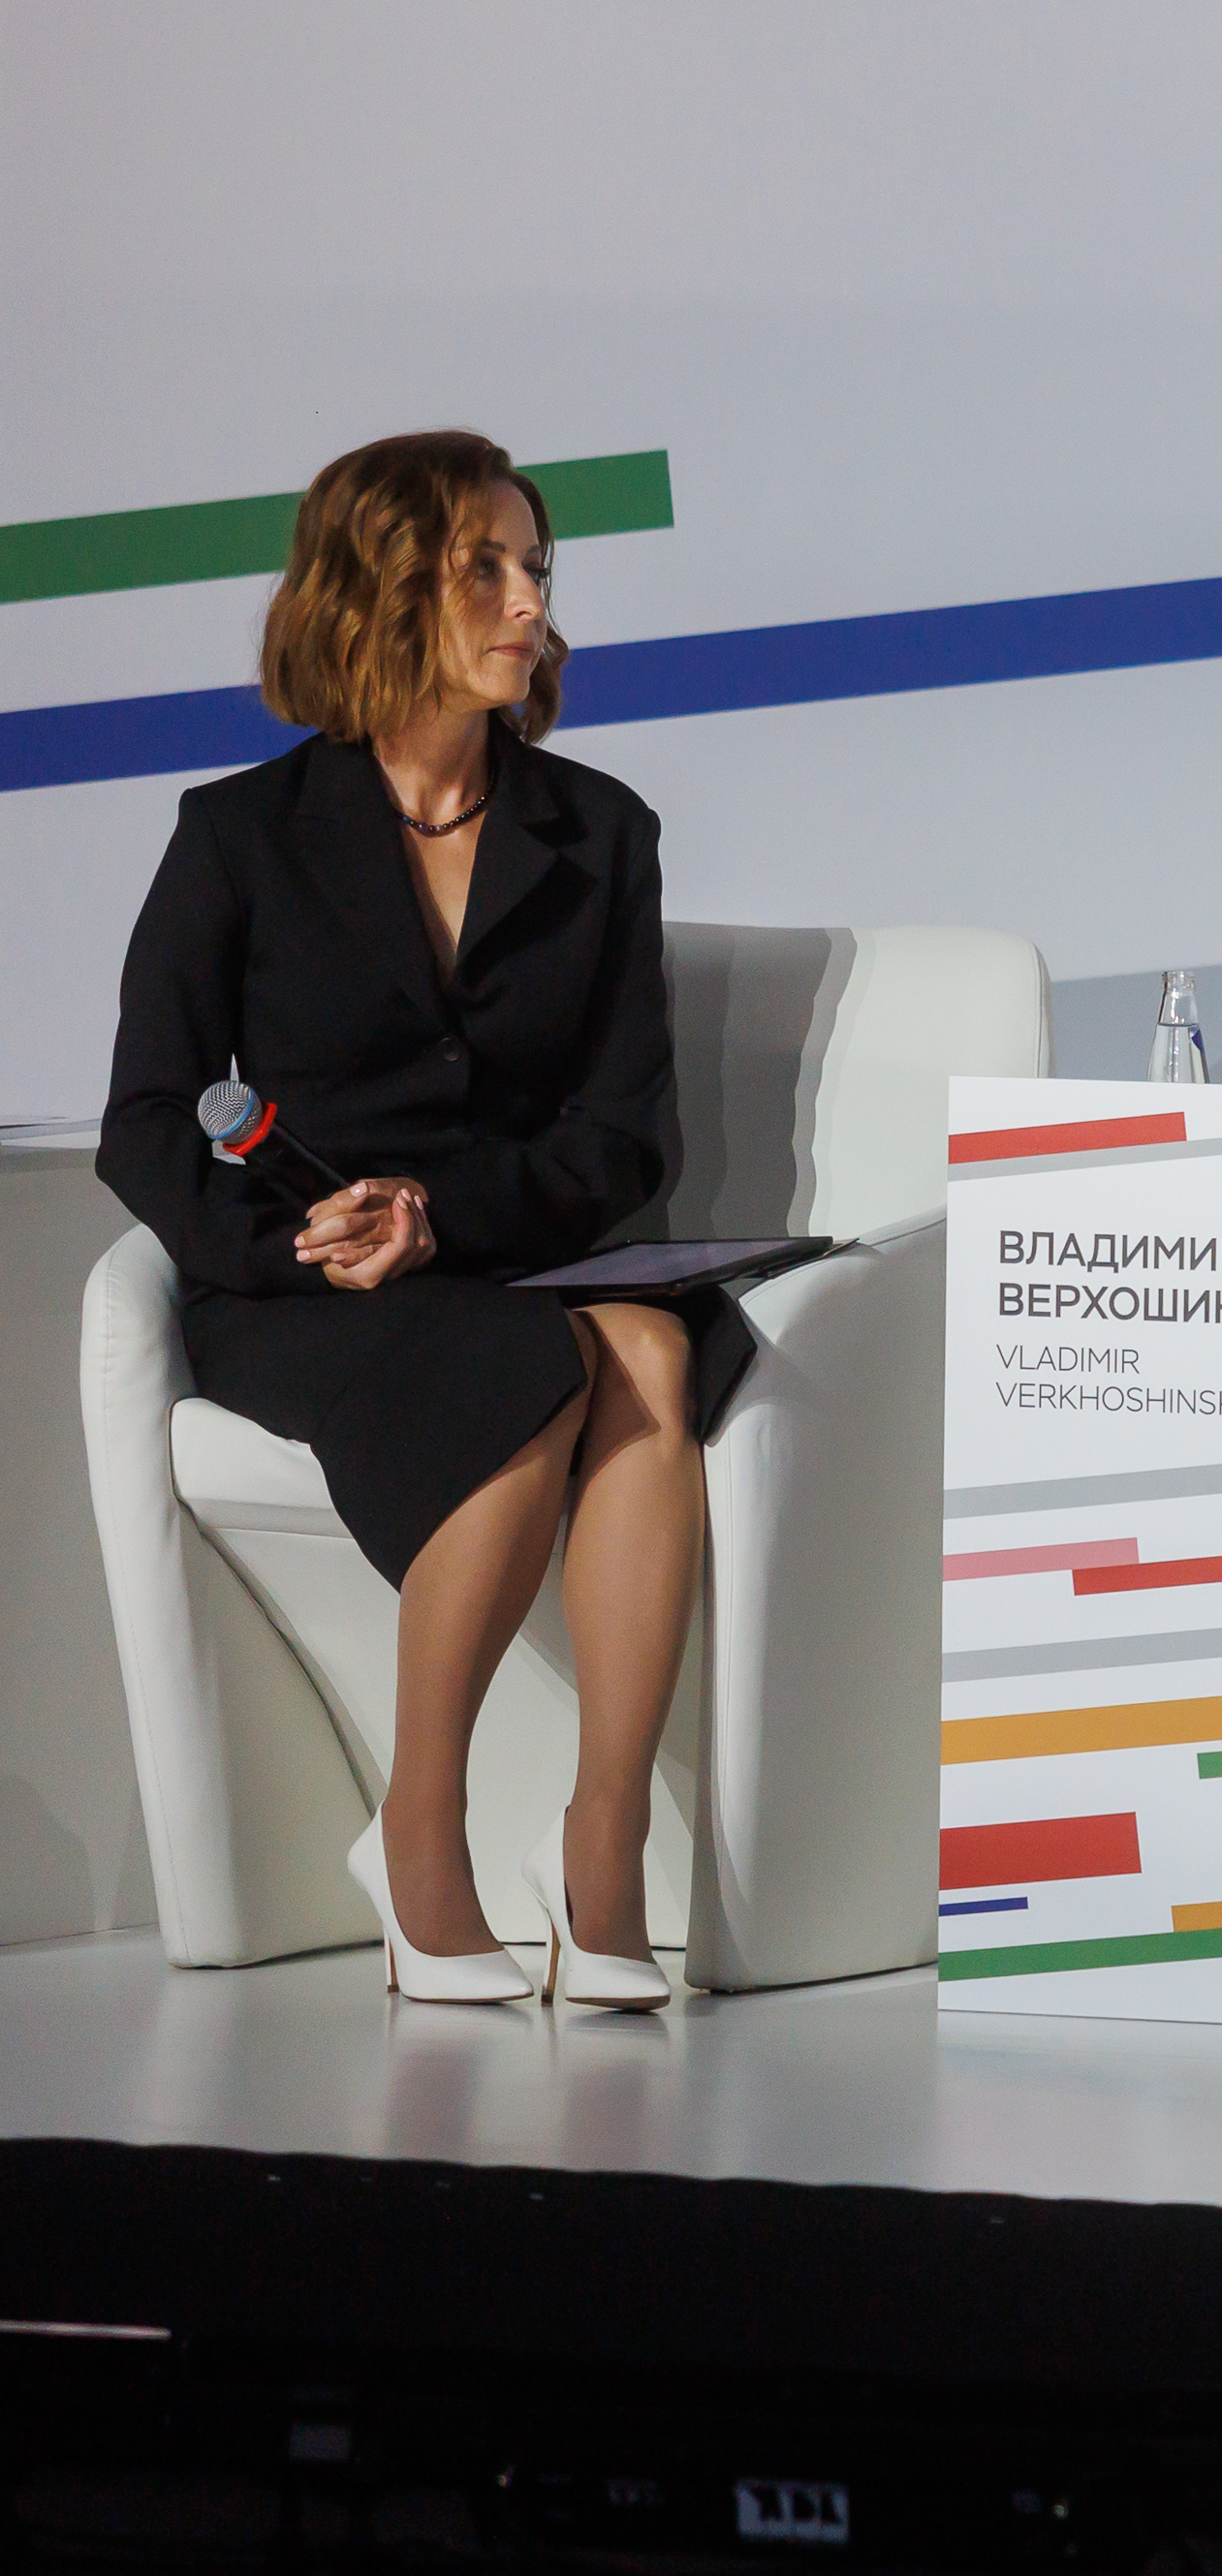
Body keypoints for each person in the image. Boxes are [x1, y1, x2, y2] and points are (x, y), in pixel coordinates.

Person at [101, 431, 698, 2011]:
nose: (529, 602)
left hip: (502, 1255)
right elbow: (145, 1117)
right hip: (302, 1290)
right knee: (535, 1363)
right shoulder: (238, 834)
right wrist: (287, 1240)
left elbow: (629, 1137)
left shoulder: (602, 832)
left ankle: (604, 1844)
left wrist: (445, 1214)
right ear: (378, 593)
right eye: (482, 569)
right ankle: (420, 1835)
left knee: (650, 1347)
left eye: (535, 568)